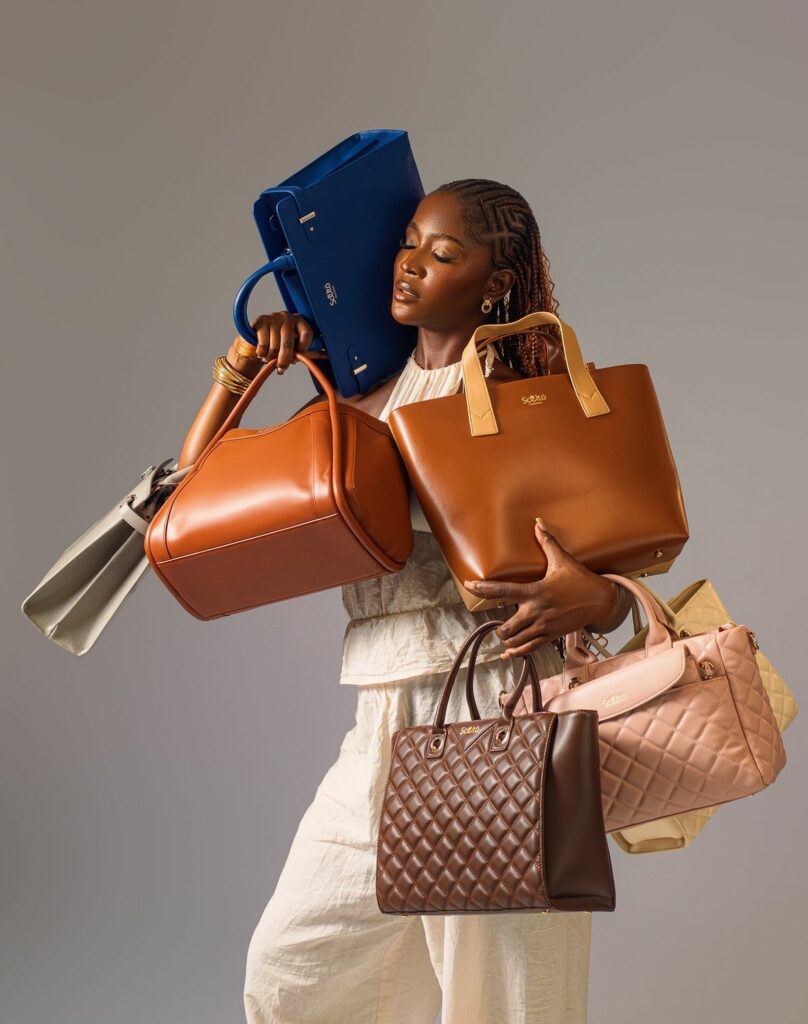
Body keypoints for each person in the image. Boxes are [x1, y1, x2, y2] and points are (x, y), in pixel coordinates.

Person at [176, 179, 632, 1024]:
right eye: (409, 244)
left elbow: (618, 586)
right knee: (292, 973)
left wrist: (593, 600)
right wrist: (245, 368)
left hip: (501, 707)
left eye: (444, 253)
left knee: (504, 999)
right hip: (379, 725)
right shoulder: (356, 401)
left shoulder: (527, 395)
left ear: (496, 282)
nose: (412, 265)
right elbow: (192, 503)